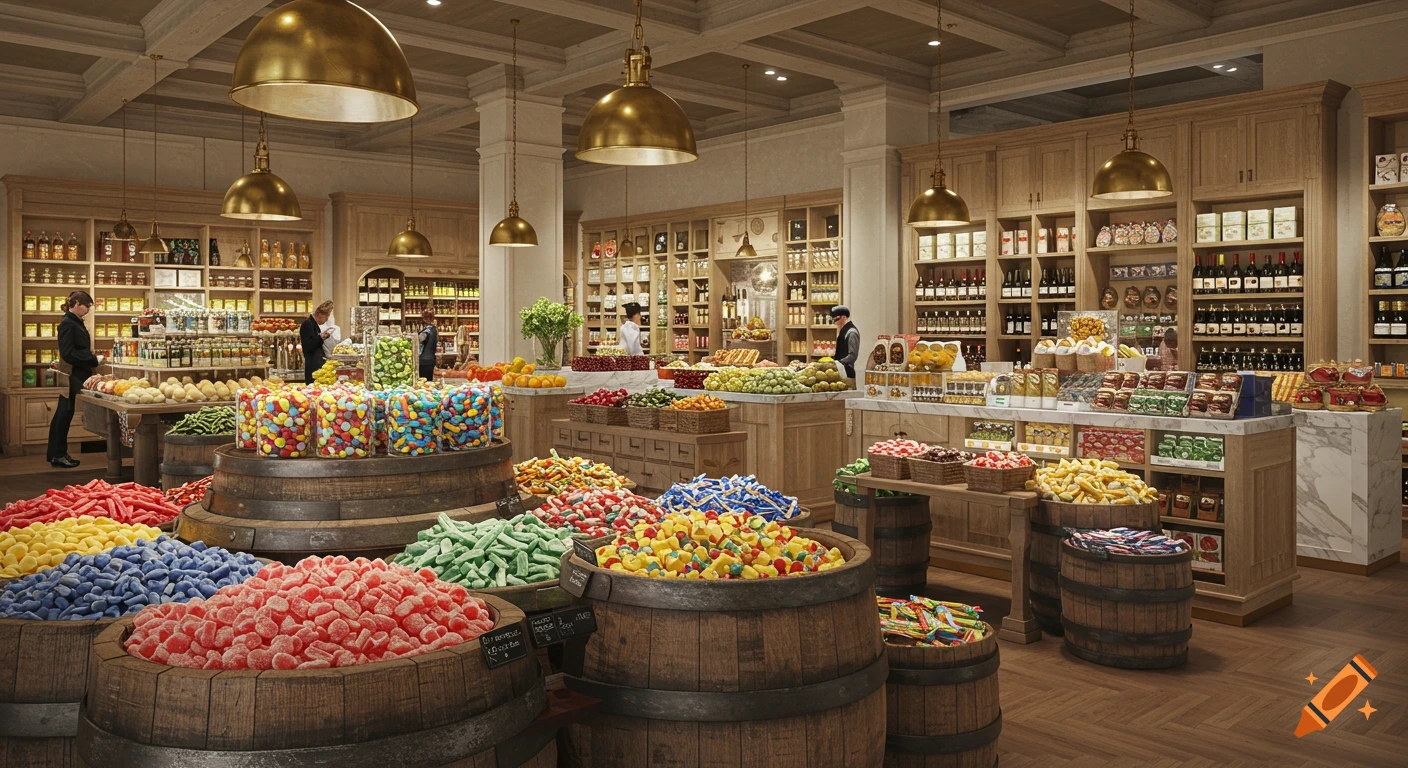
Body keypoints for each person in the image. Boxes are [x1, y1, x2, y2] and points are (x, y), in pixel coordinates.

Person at [48, 291, 100, 468]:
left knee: (64, 414)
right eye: (87, 306)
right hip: (71, 374)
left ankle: (58, 454)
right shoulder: (68, 323)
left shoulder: (73, 321)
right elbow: (68, 353)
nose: (87, 310)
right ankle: (58, 454)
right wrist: (93, 359)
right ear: (77, 303)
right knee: (64, 414)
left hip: (74, 374)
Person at [301, 300, 334, 384]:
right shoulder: (307, 324)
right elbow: (308, 346)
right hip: (312, 366)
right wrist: (321, 337)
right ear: (320, 314)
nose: (326, 320)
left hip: (316, 365)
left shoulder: (313, 325)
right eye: (326, 316)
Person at [832, 305, 860, 379]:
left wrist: (838, 363)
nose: (835, 323)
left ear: (844, 317)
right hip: (841, 371)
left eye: (837, 319)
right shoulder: (842, 330)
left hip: (847, 372)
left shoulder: (851, 332)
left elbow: (853, 355)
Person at [417, 308, 438, 382]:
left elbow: (421, 339)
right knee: (429, 381)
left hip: (424, 361)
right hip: (431, 359)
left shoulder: (427, 330)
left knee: (423, 381)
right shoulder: (434, 329)